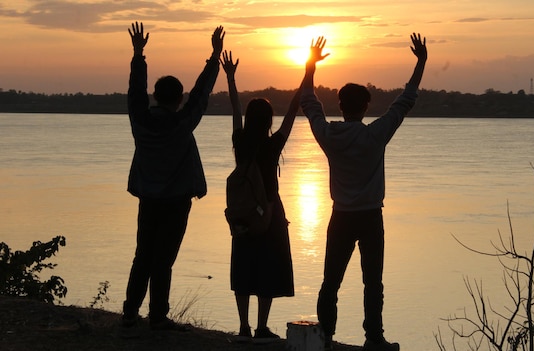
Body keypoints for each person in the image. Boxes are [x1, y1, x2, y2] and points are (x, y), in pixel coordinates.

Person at [300, 34, 427, 351]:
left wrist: (310, 66)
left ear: (340, 106)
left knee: (331, 282)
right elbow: (404, 102)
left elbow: (309, 101)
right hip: (370, 217)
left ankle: (325, 339)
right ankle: (374, 339)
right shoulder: (375, 135)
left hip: (341, 217)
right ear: (366, 107)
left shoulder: (329, 135)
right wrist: (421, 61)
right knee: (373, 283)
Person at [121, 22, 224, 332]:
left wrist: (139, 55)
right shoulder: (182, 123)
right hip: (176, 200)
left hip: (148, 198)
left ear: (156, 96)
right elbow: (202, 94)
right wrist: (214, 56)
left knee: (144, 254)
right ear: (178, 99)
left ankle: (129, 313)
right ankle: (157, 316)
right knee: (163, 259)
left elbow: (135, 92)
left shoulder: (140, 121)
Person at [221, 50, 299, 344]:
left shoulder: (240, 143)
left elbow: (233, 107)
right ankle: (261, 327)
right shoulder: (273, 145)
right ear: (269, 120)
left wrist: (230, 77)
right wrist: (307, 72)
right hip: (269, 211)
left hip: (242, 211)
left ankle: (243, 328)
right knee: (268, 265)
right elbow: (293, 110)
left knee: (243, 264)